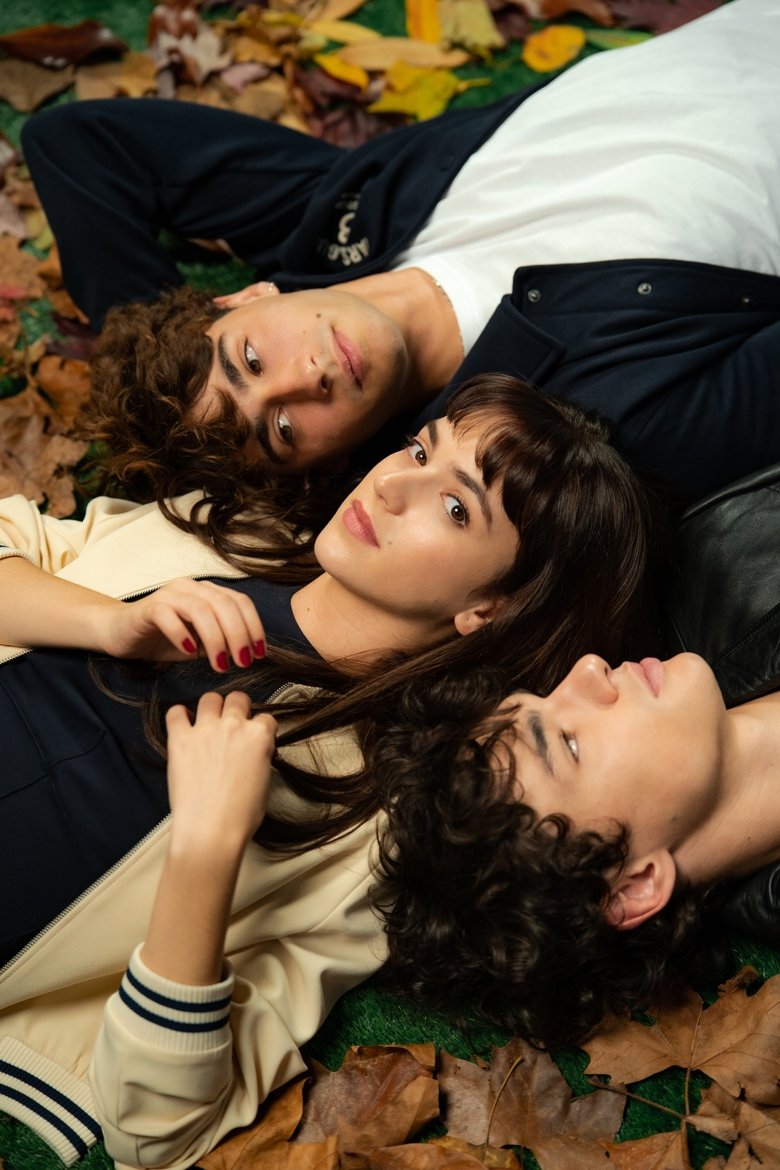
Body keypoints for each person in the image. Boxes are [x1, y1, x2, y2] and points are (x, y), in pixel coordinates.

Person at [0, 375, 659, 1168]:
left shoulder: (368, 832)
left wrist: (206, 847)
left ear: (491, 609)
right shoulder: (223, 536)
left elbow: (157, 1126)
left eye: (456, 507)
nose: (392, 485)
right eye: (419, 449)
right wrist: (106, 622)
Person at [20, 0, 780, 503]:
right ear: (323, 468)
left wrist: (144, 346)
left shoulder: (331, 225)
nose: (305, 378)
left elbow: (75, 143)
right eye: (280, 432)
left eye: (249, 359)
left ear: (247, 295)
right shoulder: (589, 420)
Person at [369, 459, 780, 1052]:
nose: (588, 670)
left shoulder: (726, 552)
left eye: (543, 697)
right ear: (636, 886)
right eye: (569, 744)